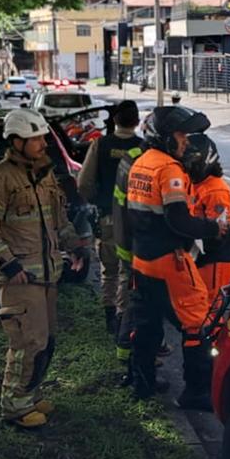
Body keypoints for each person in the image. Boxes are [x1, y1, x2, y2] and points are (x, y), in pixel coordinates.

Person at [0, 108, 88, 429]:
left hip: (48, 274)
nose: (42, 143)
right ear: (16, 142)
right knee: (28, 342)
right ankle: (14, 406)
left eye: (42, 137)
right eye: (34, 138)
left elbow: (58, 220)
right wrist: (9, 266)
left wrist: (74, 246)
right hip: (21, 278)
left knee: (46, 340)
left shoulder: (44, 175)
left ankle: (30, 394)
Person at [127, 106, 224, 410]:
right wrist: (212, 228)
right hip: (169, 260)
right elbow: (179, 221)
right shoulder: (168, 169)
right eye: (181, 135)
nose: (185, 142)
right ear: (166, 137)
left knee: (148, 325)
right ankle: (196, 391)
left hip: (142, 259)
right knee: (197, 322)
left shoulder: (140, 163)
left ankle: (141, 383)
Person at [76, 100, 143, 334]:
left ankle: (109, 318)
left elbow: (83, 183)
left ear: (115, 120)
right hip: (135, 220)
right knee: (128, 270)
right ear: (137, 122)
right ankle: (124, 317)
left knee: (109, 270)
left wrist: (99, 200)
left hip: (108, 218)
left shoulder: (100, 145)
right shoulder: (144, 149)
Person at [184, 134, 230, 298]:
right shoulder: (195, 184)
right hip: (201, 257)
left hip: (215, 261)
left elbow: (219, 234)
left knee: (210, 309)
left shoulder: (214, 190)